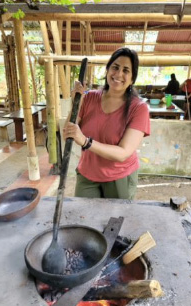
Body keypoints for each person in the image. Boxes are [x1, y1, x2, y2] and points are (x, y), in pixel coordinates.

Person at [63, 47, 150, 200]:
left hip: (119, 176)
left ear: (132, 78)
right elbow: (67, 132)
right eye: (115, 67)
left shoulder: (139, 108)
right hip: (88, 173)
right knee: (84, 217)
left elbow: (123, 153)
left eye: (126, 70)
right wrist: (76, 102)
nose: (118, 74)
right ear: (107, 70)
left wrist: (86, 142)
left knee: (115, 220)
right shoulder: (89, 98)